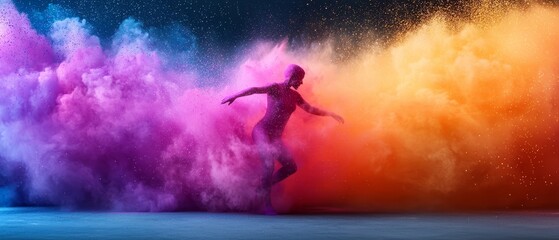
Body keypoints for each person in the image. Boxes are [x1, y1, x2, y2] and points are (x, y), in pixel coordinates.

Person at [221, 64, 344, 214]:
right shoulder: (275, 88)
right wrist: (234, 95)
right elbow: (255, 89)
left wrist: (330, 113)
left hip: (276, 137)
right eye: (300, 79)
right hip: (262, 131)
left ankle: (262, 186)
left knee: (291, 167)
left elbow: (311, 109)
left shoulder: (295, 96)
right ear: (293, 77)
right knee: (268, 163)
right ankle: (266, 205)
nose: (301, 83)